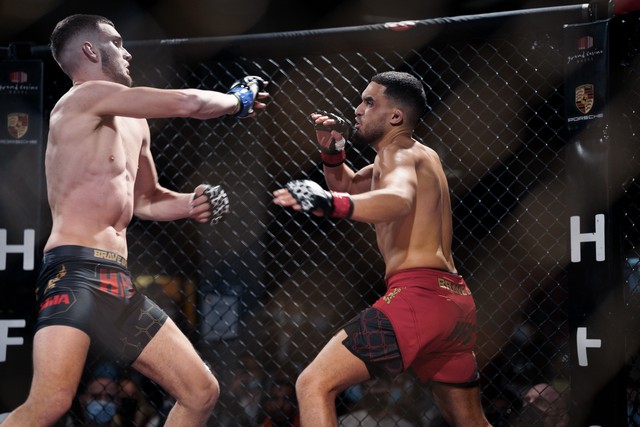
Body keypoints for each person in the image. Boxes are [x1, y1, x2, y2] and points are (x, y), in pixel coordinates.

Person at [1, 14, 268, 427]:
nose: (127, 53)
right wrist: (238, 101)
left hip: (118, 281)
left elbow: (147, 199)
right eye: (117, 42)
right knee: (50, 403)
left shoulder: (134, 122)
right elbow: (189, 103)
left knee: (200, 392)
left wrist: (191, 203)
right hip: (74, 273)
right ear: (90, 50)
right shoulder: (82, 99)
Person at [272, 71, 491, 426]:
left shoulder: (397, 154)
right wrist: (332, 153)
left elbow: (397, 200)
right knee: (471, 423)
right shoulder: (416, 156)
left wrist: (328, 203)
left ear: (395, 116)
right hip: (453, 303)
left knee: (313, 384)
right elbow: (349, 186)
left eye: (369, 102)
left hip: (416, 298)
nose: (357, 110)